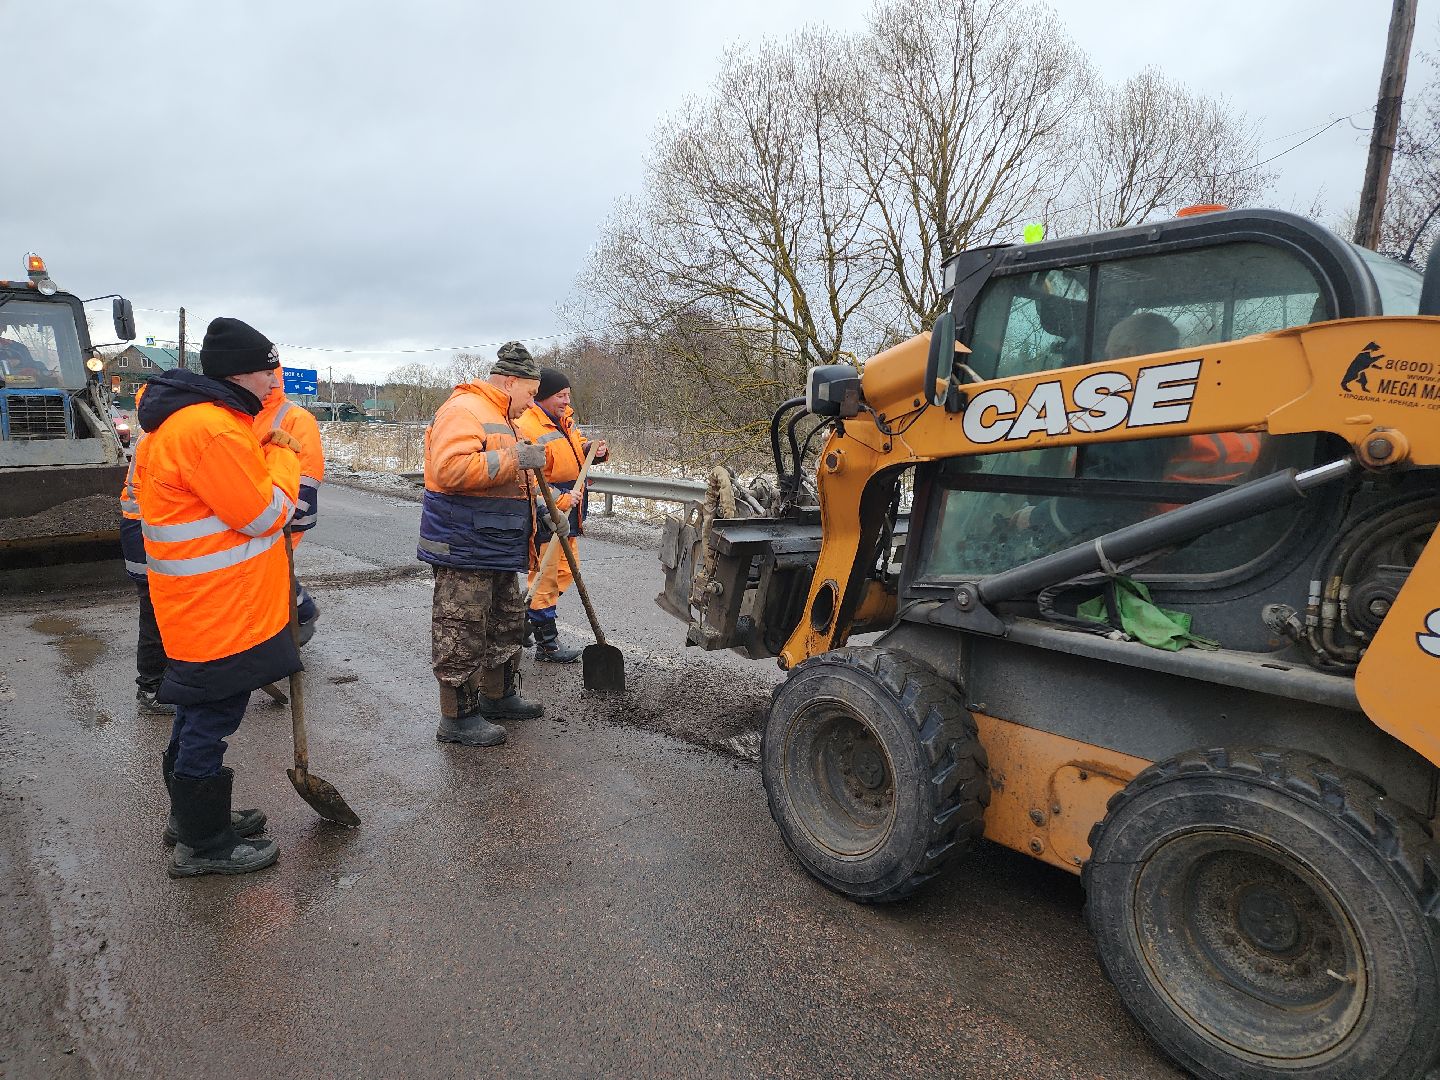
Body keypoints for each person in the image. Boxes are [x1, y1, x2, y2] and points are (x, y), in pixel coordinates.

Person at [135, 317, 303, 879]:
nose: (272, 382)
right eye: (268, 371)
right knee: (213, 716)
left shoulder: (196, 424)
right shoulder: (210, 430)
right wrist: (285, 457)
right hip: (219, 608)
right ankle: (204, 843)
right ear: (243, 373)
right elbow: (263, 513)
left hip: (201, 603)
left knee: (197, 711)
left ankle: (191, 820)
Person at [417, 341, 550, 747]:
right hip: (464, 545)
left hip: (494, 545)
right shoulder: (464, 410)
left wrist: (540, 507)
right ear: (510, 382)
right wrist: (515, 459)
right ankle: (457, 718)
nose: (531, 404)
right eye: (529, 394)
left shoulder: (504, 416)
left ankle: (499, 696)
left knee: (506, 623)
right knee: (462, 630)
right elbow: (450, 469)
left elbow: (510, 481)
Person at [515, 367, 609, 663]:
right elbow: (529, 483)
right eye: (560, 395)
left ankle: (523, 621)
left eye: (568, 394)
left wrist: (592, 450)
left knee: (567, 572)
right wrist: (562, 499)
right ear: (542, 397)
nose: (566, 400)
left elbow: (571, 452)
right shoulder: (528, 427)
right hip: (548, 512)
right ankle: (547, 644)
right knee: (545, 578)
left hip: (570, 510)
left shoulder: (563, 420)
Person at [255, 370, 325, 644]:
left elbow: (308, 473)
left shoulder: (296, 417)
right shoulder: (241, 413)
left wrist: (288, 514)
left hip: (284, 513)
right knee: (268, 570)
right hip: (257, 510)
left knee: (272, 568)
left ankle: (302, 614)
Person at [119, 383, 172, 715]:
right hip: (147, 534)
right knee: (156, 613)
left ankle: (159, 682)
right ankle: (152, 686)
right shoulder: (165, 438)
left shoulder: (152, 433)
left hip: (139, 530)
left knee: (156, 611)